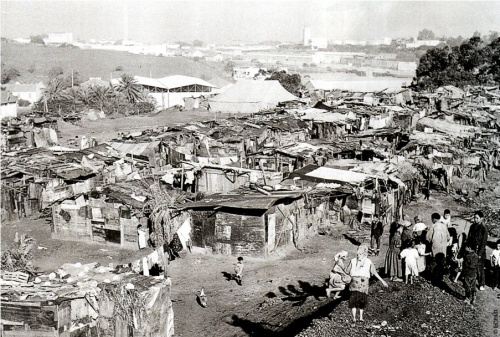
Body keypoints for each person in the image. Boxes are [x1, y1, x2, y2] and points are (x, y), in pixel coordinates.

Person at [346, 244, 388, 323]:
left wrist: (382, 281)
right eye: (357, 254)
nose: (358, 256)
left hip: (360, 283)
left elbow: (374, 272)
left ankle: (359, 317)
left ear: (364, 254)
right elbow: (347, 272)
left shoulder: (365, 262)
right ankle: (355, 318)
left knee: (359, 300)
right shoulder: (358, 261)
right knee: (356, 301)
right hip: (358, 283)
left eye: (360, 254)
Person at [465, 210, 488, 291]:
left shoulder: (484, 229)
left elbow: (483, 243)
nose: (475, 219)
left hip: (479, 251)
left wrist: (479, 254)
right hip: (472, 249)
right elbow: (469, 238)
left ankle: (481, 283)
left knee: (480, 268)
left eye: (477, 218)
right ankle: (471, 281)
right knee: (471, 266)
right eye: (474, 218)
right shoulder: (472, 226)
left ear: (481, 218)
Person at [426, 213, 450, 284]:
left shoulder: (433, 226)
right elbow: (448, 237)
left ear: (433, 219)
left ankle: (433, 279)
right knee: (441, 263)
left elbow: (428, 237)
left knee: (434, 263)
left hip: (435, 247)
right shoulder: (444, 226)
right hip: (443, 248)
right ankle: (440, 278)